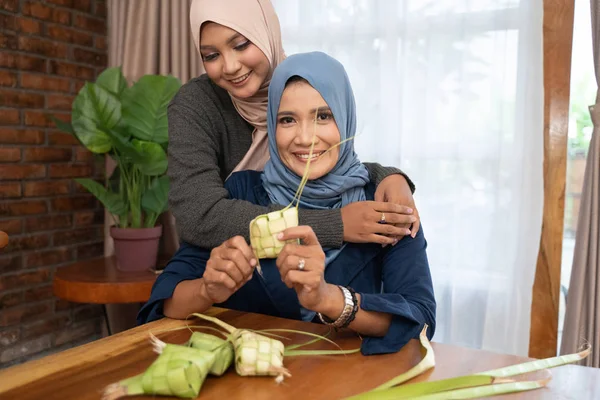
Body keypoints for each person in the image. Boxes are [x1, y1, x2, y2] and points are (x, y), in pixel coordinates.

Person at [139, 52, 436, 355]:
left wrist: (329, 299)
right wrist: (207, 289)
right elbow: (165, 301)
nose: (305, 138)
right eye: (288, 120)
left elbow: (421, 320)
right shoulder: (242, 193)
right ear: (271, 125)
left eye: (323, 116)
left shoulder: (385, 200)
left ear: (346, 118)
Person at [168, 0, 421, 252]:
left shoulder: (297, 83)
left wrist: (385, 176)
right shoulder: (197, 104)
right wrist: (336, 224)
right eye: (211, 56)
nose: (231, 66)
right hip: (223, 267)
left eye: (241, 45)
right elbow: (200, 216)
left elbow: (327, 156)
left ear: (266, 31)